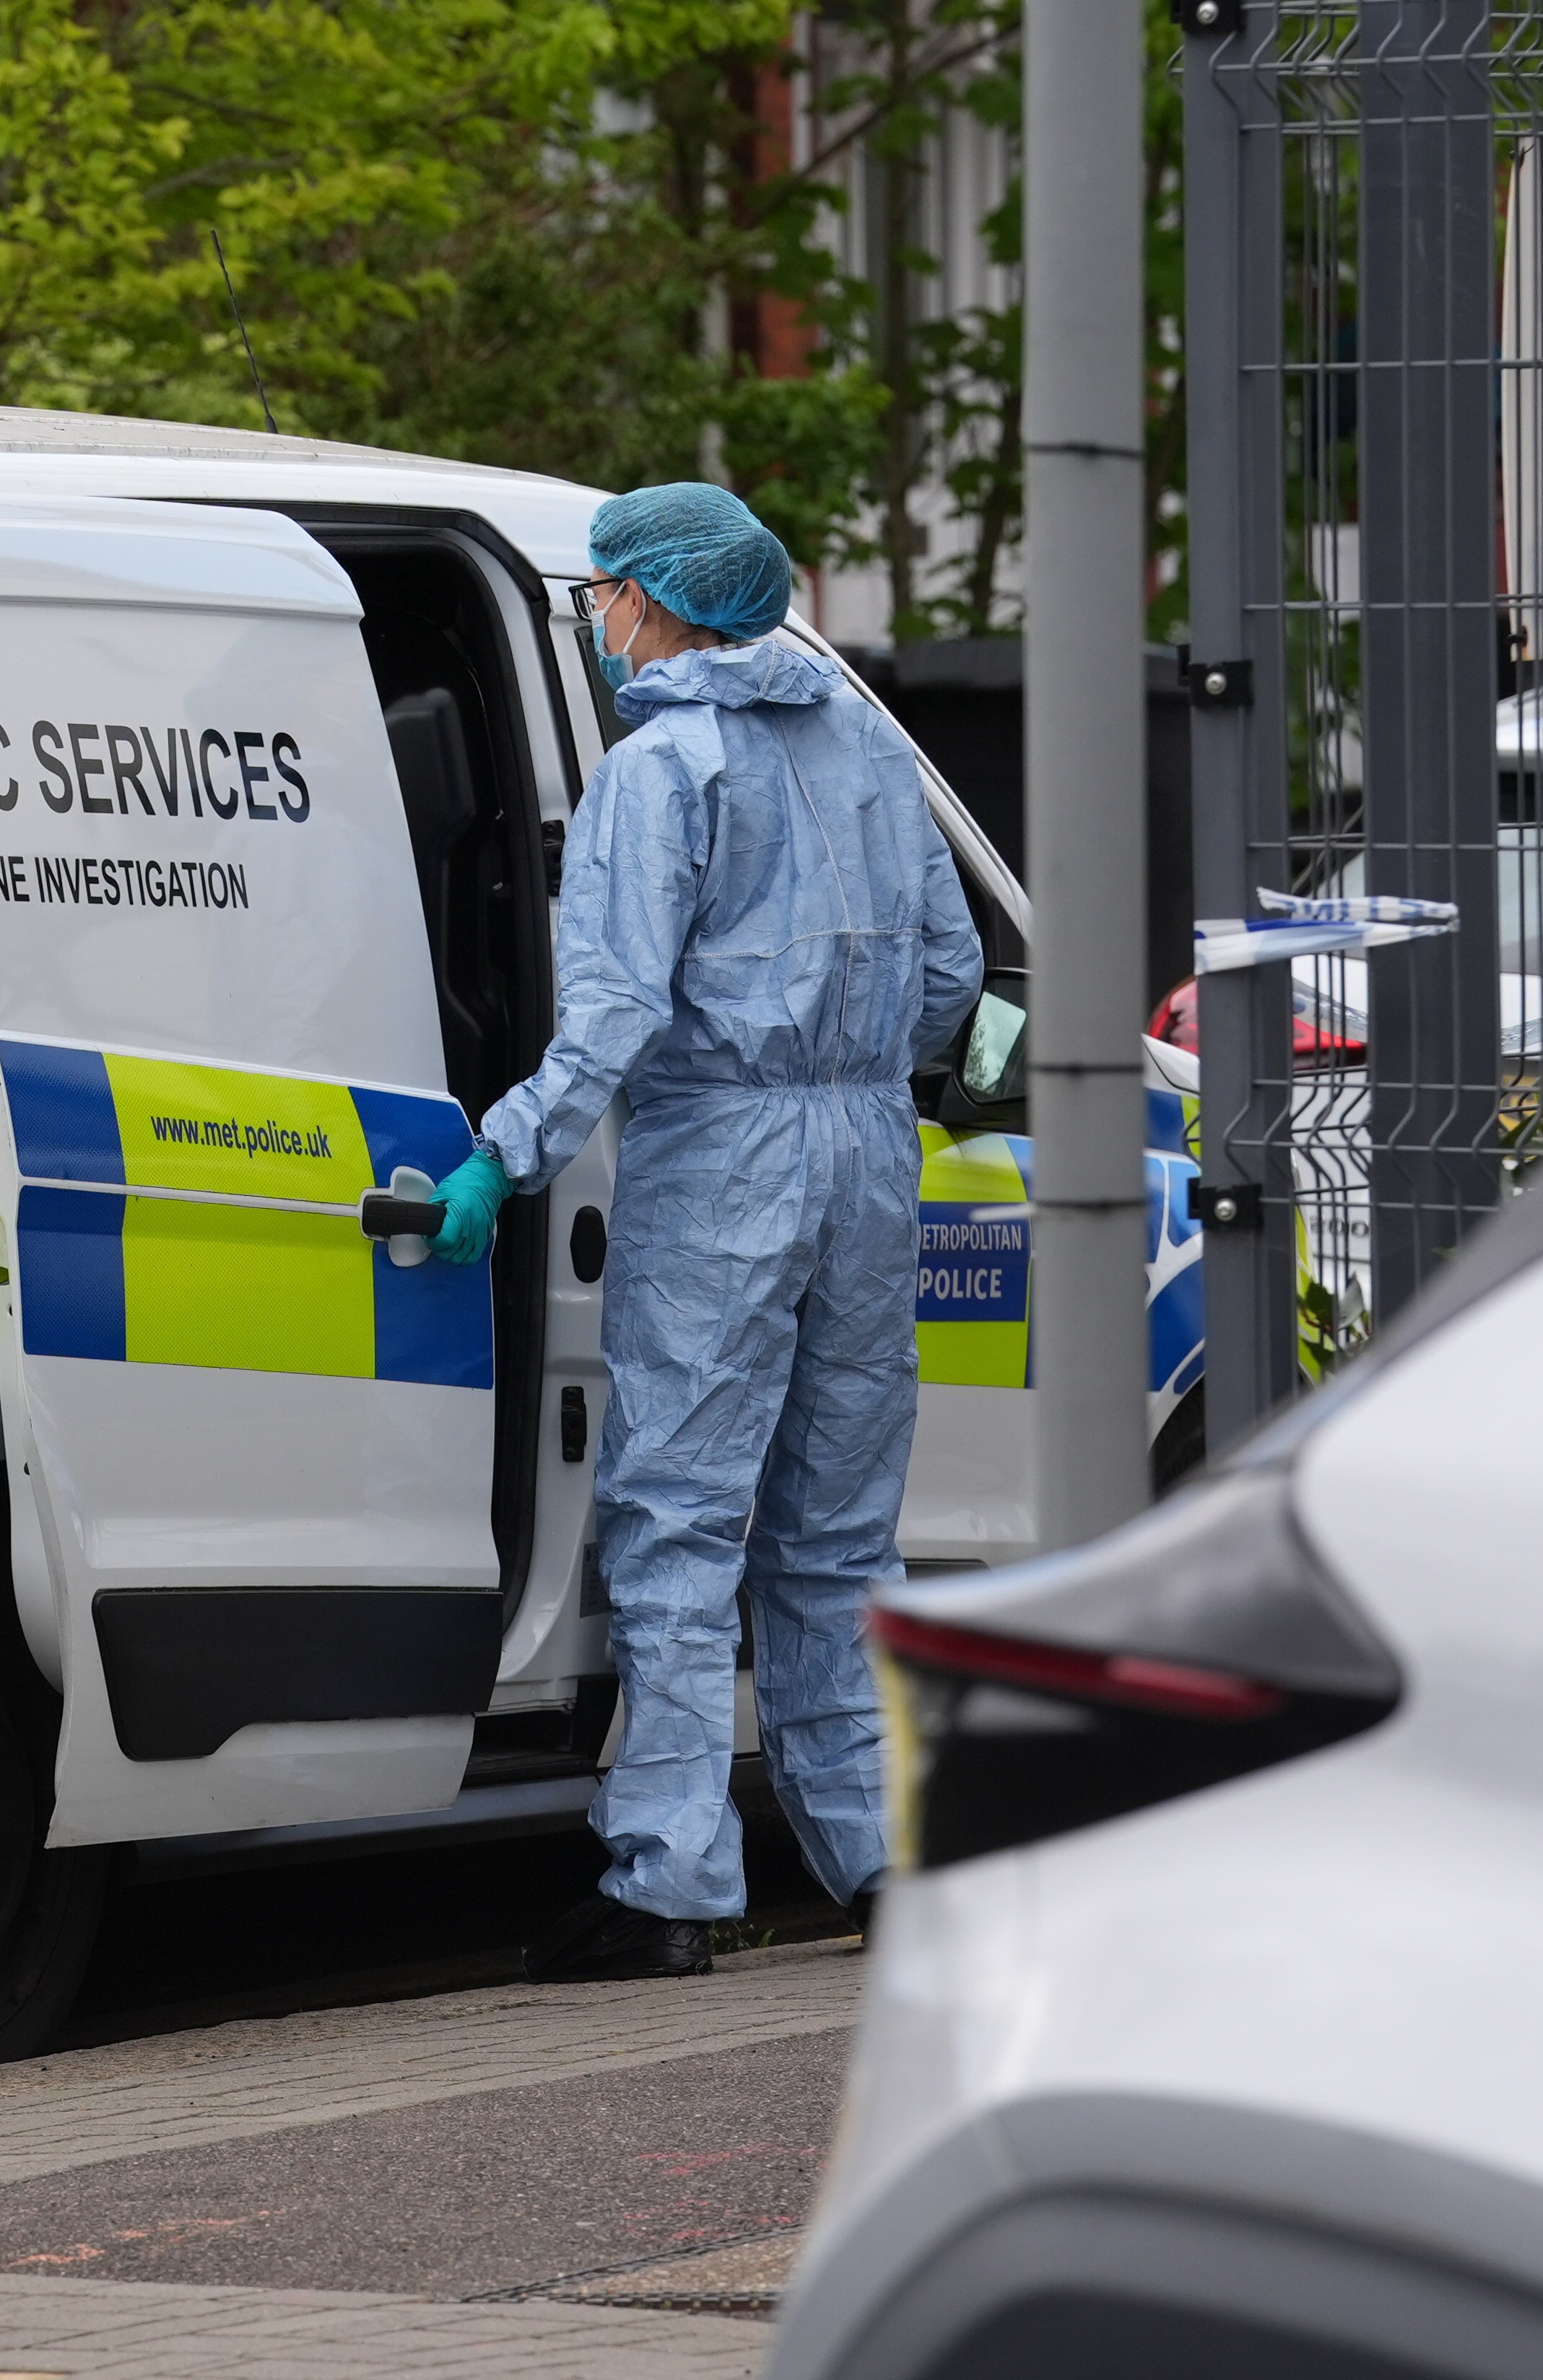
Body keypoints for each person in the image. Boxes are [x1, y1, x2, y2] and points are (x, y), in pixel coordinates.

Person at [429, 482, 981, 1983]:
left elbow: (613, 1009)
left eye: (603, 594)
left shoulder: (661, 771)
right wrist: (859, 1069)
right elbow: (954, 960)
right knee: (841, 1537)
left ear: (662, 601)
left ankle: (672, 1879)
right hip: (868, 1147)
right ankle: (884, 1860)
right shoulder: (866, 742)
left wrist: (503, 1152)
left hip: (727, 1153)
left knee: (679, 1527)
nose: (598, 620)